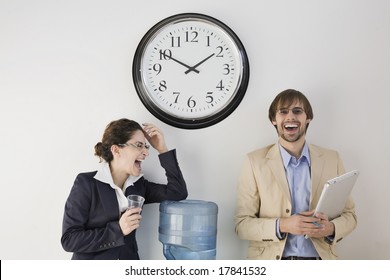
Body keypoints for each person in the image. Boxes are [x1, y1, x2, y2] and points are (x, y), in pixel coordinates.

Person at [234, 89, 357, 260]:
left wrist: (330, 229)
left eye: (297, 111)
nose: (290, 117)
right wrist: (283, 225)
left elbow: (350, 216)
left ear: (308, 118)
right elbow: (242, 225)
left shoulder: (332, 159)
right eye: (283, 111)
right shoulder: (254, 162)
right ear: (273, 120)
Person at [61, 118, 188, 260]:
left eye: (146, 147)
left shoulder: (139, 186)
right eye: (139, 145)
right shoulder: (86, 183)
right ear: (116, 150)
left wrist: (162, 149)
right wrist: (118, 229)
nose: (146, 152)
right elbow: (69, 240)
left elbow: (178, 192)